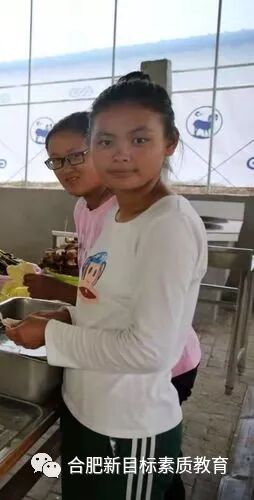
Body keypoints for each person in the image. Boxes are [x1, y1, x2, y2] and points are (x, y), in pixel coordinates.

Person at [7, 73, 207, 500]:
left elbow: (151, 351)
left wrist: (52, 333)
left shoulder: (167, 225)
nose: (120, 154)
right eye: (105, 141)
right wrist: (68, 314)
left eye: (139, 139)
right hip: (90, 412)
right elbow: (108, 306)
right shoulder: (120, 216)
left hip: (128, 429)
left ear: (170, 143)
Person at [27, 111, 202, 405]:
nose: (66, 169)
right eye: (56, 161)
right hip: (115, 351)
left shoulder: (132, 215)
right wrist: (66, 311)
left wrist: (58, 293)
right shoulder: (84, 208)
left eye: (76, 156)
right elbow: (98, 286)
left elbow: (120, 307)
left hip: (164, 367)